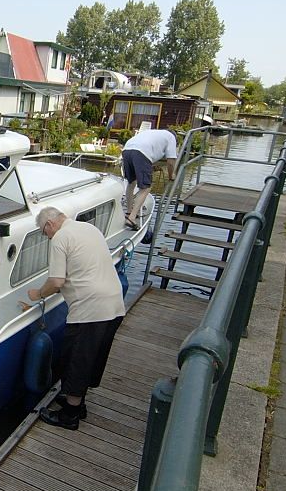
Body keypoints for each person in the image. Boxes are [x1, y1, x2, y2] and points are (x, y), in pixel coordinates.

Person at [22, 207, 126, 430]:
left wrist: (37, 294)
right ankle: (79, 404)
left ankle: (69, 416)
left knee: (76, 359)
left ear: (49, 225)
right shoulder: (88, 229)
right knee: (91, 357)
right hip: (114, 304)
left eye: (43, 233)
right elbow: (82, 269)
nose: (46, 237)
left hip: (90, 310)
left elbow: (57, 281)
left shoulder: (60, 238)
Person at [121, 128, 177, 230]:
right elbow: (170, 161)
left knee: (131, 183)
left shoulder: (154, 132)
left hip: (127, 150)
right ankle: (131, 218)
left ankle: (129, 212)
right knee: (146, 188)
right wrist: (171, 175)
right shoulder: (171, 137)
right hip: (142, 152)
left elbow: (147, 150)